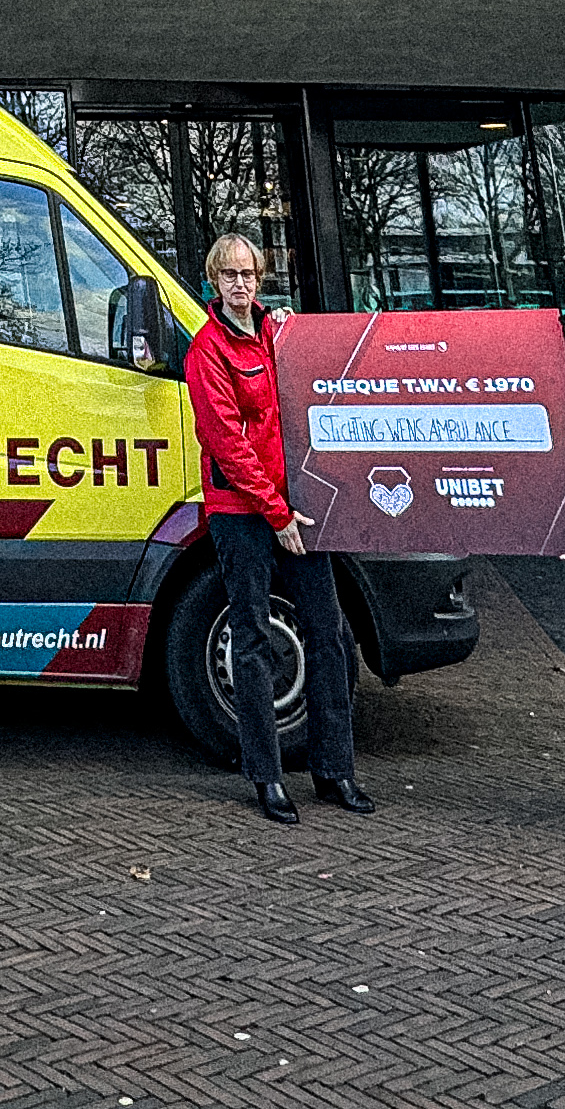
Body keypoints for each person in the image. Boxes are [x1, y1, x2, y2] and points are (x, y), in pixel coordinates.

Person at [182, 229, 369, 824]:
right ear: (215, 281)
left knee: (329, 633)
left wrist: (294, 507)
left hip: (301, 505)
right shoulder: (206, 351)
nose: (242, 285)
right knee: (253, 638)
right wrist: (276, 512)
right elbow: (228, 445)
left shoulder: (276, 334)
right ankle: (267, 777)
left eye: (250, 274)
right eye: (231, 275)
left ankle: (334, 769)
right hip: (244, 513)